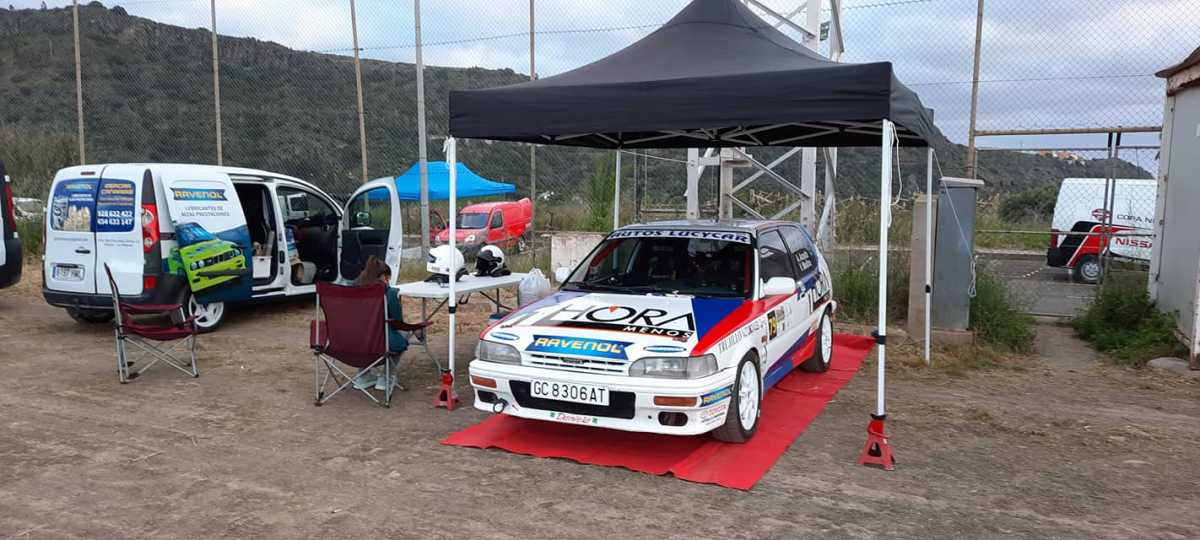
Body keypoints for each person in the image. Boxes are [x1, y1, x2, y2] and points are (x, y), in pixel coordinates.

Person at [352, 257, 409, 392]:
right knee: (404, 333)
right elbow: (397, 322)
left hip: (351, 342)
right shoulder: (389, 293)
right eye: (388, 278)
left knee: (364, 333)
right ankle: (386, 377)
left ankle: (363, 376)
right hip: (380, 344)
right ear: (383, 277)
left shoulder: (352, 291)